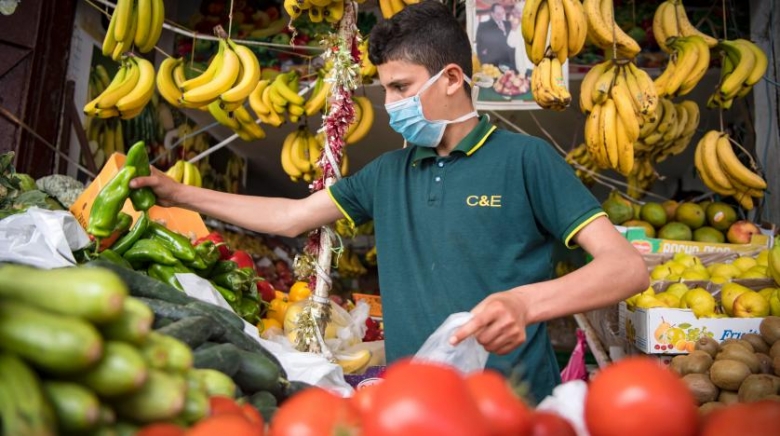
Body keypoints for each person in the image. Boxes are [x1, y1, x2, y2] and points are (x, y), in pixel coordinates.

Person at [131, 0, 648, 403]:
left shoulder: (525, 159)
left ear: (451, 79)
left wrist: (524, 303)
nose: (391, 105)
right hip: (413, 407)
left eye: (402, 87)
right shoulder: (387, 172)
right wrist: (177, 192)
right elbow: (290, 217)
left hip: (515, 405)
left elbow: (624, 268)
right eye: (386, 91)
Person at [475, 3, 516, 71]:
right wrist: (483, 62)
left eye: (502, 13)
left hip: (509, 60)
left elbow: (513, 40)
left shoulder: (509, 24)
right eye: (498, 14)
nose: (501, 16)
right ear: (492, 14)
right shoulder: (484, 26)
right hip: (493, 62)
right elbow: (480, 45)